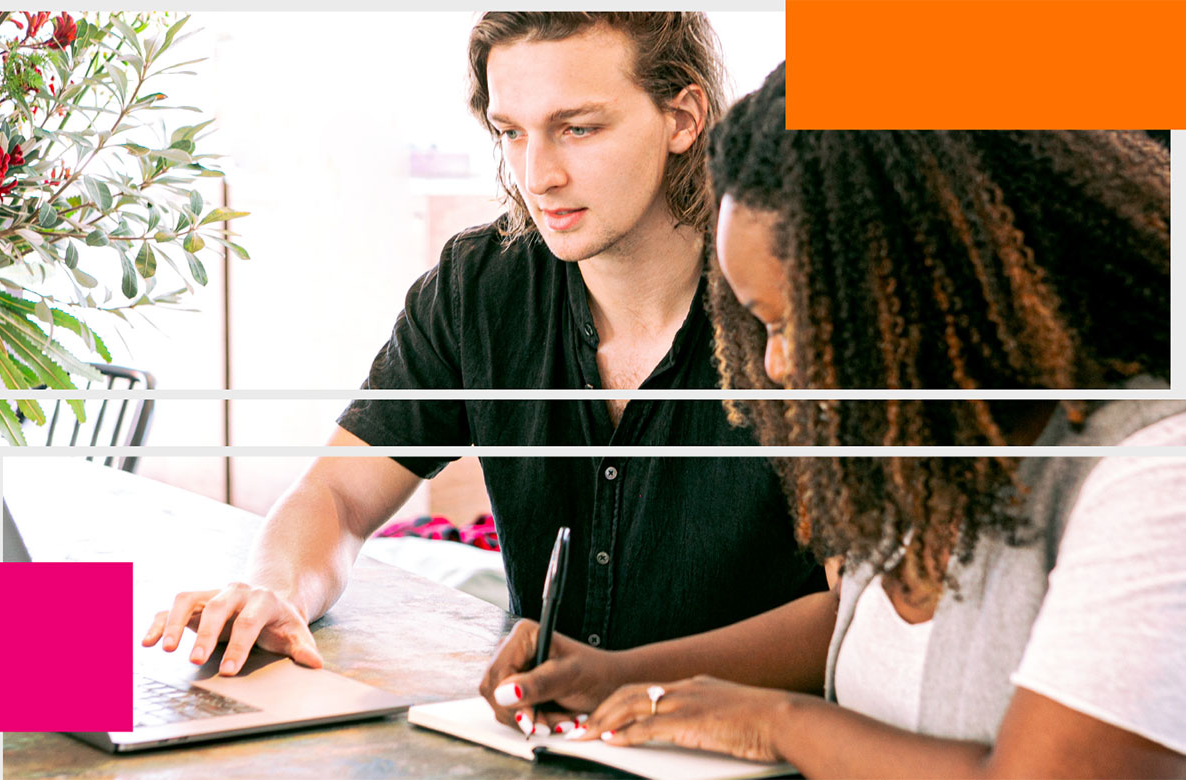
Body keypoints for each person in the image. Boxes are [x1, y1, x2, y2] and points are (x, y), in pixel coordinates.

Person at [477, 64, 1186, 776]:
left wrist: (777, 725)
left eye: (799, 327)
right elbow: (854, 631)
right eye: (762, 325)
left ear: (943, 286)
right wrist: (617, 672)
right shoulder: (930, 438)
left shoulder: (1178, 460)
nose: (779, 367)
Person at [141, 16, 824, 686]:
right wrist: (276, 591)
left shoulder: (802, 300)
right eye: (510, 132)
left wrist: (620, 680)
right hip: (545, 740)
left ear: (682, 118)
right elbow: (339, 492)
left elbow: (862, 617)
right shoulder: (482, 285)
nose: (538, 174)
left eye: (577, 129)